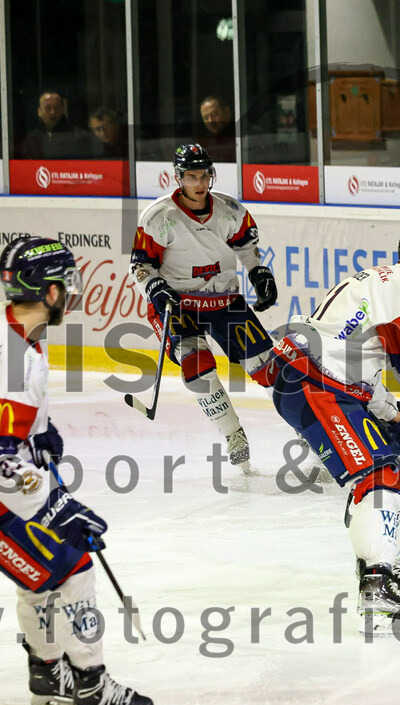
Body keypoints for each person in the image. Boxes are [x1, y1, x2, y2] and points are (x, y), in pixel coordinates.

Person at [0, 236, 154, 705]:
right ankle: (91, 685)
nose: (71, 292)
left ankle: (48, 676)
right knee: (74, 568)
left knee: (41, 580)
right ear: (49, 291)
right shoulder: (11, 358)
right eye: (66, 283)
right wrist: (55, 508)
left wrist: (38, 429)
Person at [269, 219, 400, 637]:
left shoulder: (379, 280)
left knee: (392, 470)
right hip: (317, 384)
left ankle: (377, 562)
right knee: (382, 473)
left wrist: (397, 418)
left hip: (311, 379)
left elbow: (362, 368)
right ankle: (375, 586)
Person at [131, 143, 278, 472]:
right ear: (178, 178)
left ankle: (308, 429)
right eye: (191, 177)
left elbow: (247, 246)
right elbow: (140, 266)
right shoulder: (158, 217)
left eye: (204, 176)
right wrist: (155, 288)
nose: (199, 183)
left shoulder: (230, 210)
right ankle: (233, 434)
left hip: (223, 300)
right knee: (196, 366)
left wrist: (258, 272)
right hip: (177, 304)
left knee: (268, 368)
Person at [20, 90, 91, 159]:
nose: (53, 112)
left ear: (63, 110)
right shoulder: (31, 140)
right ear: (39, 112)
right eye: (47, 108)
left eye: (57, 107)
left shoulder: (79, 136)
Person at [198, 95, 236, 162]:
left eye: (214, 114)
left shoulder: (243, 134)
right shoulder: (204, 143)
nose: (210, 120)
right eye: (206, 117)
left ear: (227, 112)